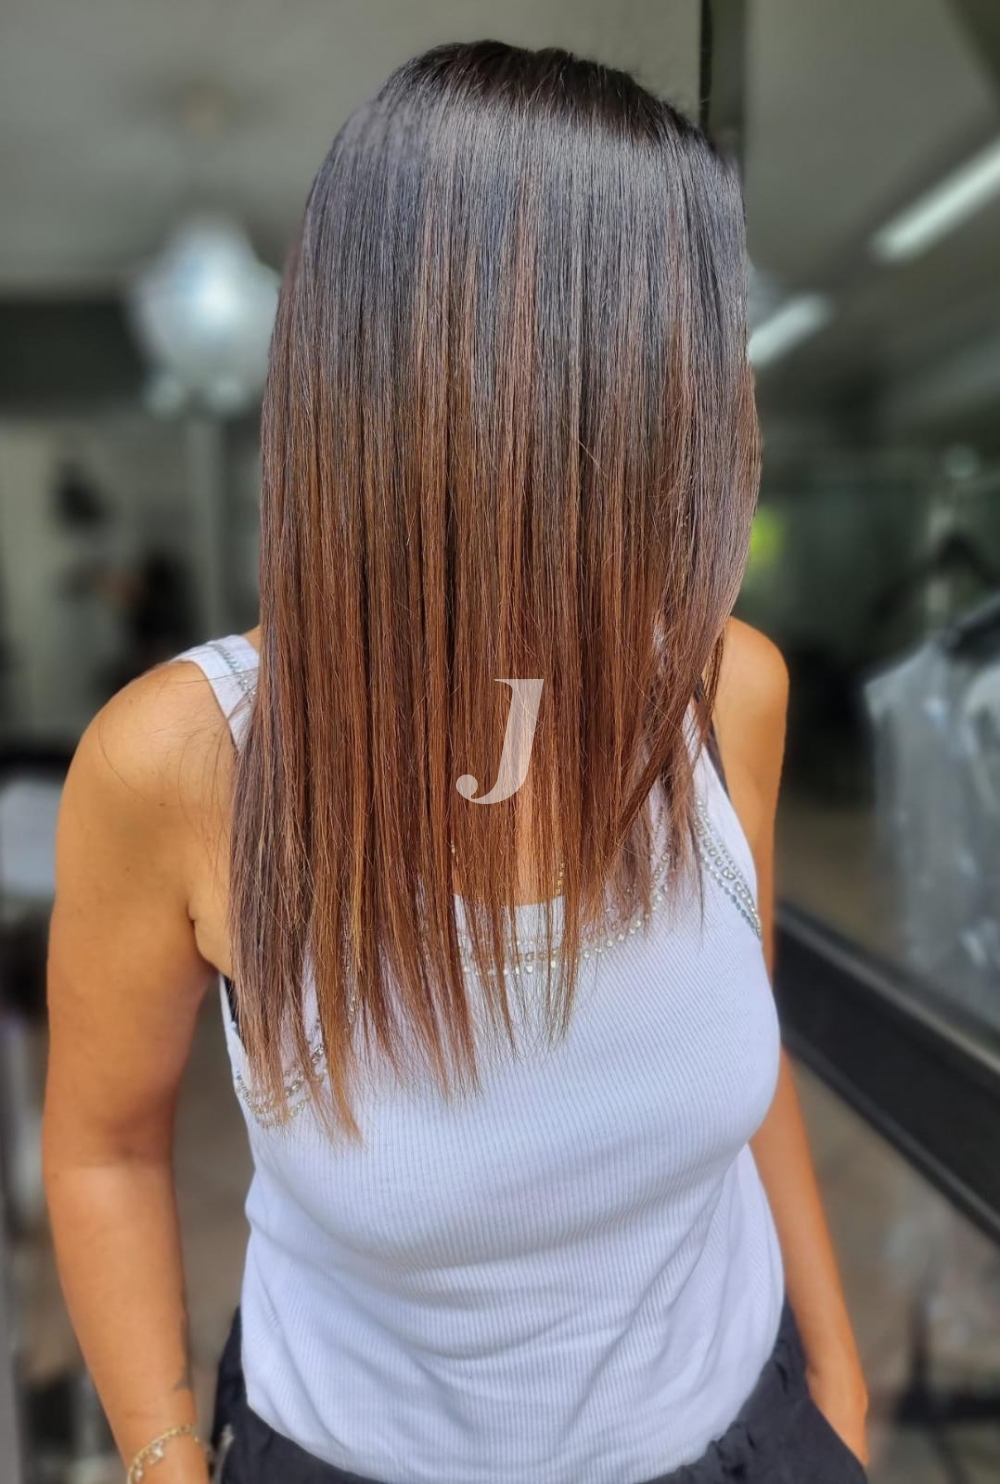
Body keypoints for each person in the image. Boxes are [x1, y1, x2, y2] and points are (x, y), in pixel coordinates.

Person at [42, 40, 869, 1484]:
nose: (723, 411)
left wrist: (838, 1381)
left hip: (744, 1429)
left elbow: (753, 1040)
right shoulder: (186, 765)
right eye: (681, 364)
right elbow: (103, 1152)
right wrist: (166, 1459)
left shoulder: (725, 688)